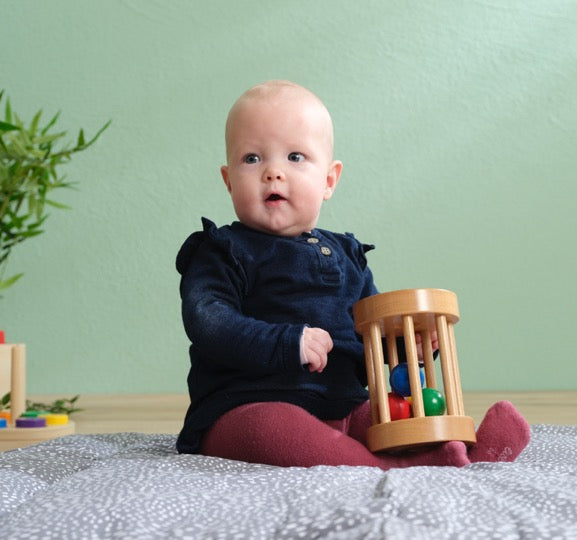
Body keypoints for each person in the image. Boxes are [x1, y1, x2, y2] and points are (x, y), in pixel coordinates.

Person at [176, 80, 530, 469]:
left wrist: (410, 344)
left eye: (295, 157)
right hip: (247, 404)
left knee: (392, 417)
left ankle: (468, 453)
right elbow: (209, 321)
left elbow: (368, 345)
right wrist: (286, 342)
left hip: (343, 402)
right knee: (276, 429)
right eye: (252, 159)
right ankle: (394, 467)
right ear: (228, 181)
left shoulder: (347, 255)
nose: (273, 172)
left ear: (328, 180)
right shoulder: (222, 249)